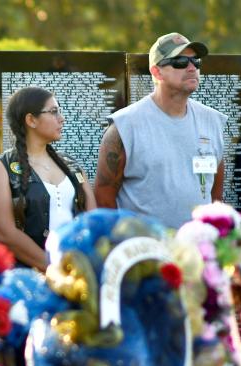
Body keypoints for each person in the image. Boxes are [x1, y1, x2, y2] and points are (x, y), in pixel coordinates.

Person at [95, 32, 226, 229]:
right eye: (180, 61)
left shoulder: (213, 121)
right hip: (147, 252)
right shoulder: (125, 126)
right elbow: (104, 199)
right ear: (156, 72)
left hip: (197, 252)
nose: (191, 68)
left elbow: (215, 193)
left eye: (195, 62)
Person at [0, 87, 95, 271]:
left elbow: (92, 220)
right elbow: (6, 234)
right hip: (23, 280)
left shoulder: (72, 166)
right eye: (54, 112)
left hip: (75, 274)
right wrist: (53, 268)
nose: (61, 118)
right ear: (31, 120)